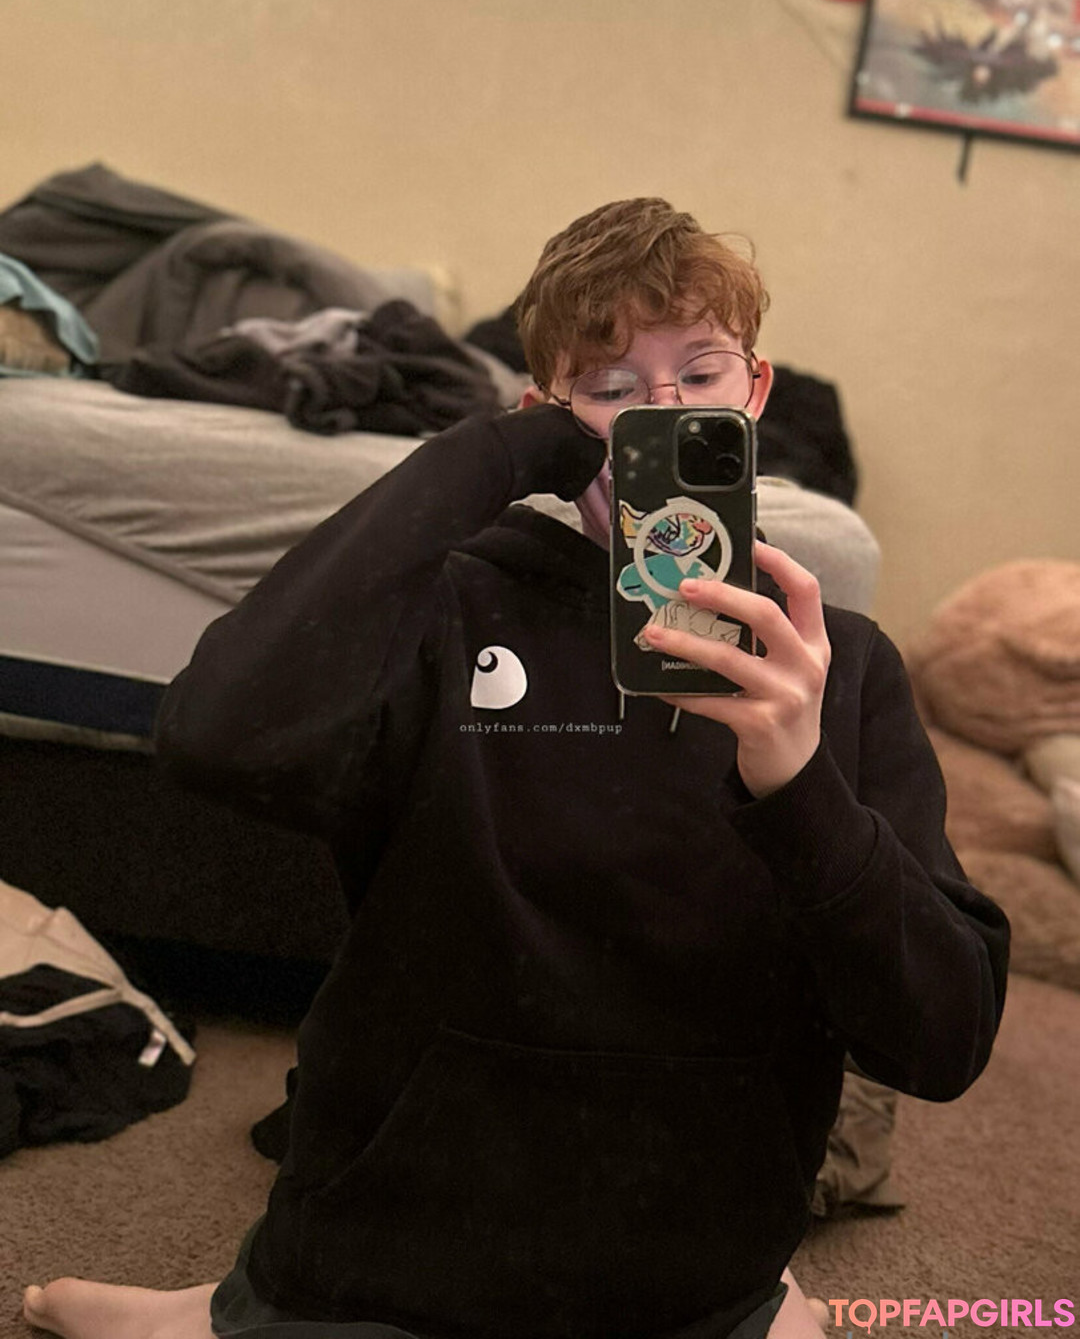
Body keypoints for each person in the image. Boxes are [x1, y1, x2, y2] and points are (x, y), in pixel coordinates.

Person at [23, 198, 1009, 1339]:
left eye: (701, 375)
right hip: (388, 1249)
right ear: (552, 417)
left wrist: (800, 785)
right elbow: (212, 734)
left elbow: (942, 1038)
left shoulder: (839, 662)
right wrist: (499, 450)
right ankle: (230, 1308)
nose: (662, 418)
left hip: (689, 1267)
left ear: (756, 396)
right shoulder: (452, 602)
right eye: (614, 388)